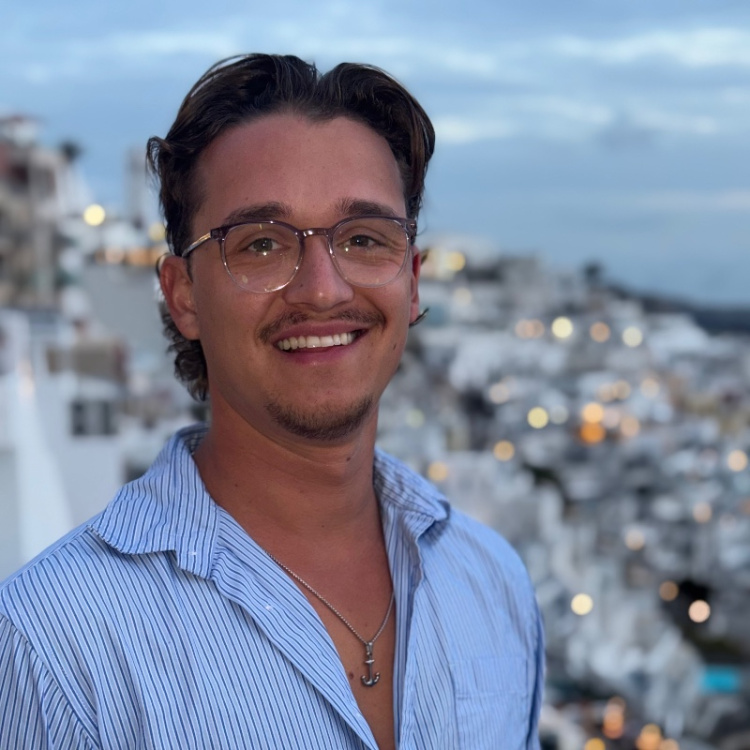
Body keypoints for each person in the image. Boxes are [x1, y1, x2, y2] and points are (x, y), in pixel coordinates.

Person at [0, 54, 544, 749]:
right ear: (182, 295)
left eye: (363, 239)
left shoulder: (491, 581)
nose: (322, 289)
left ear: (412, 281)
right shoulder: (53, 648)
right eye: (260, 245)